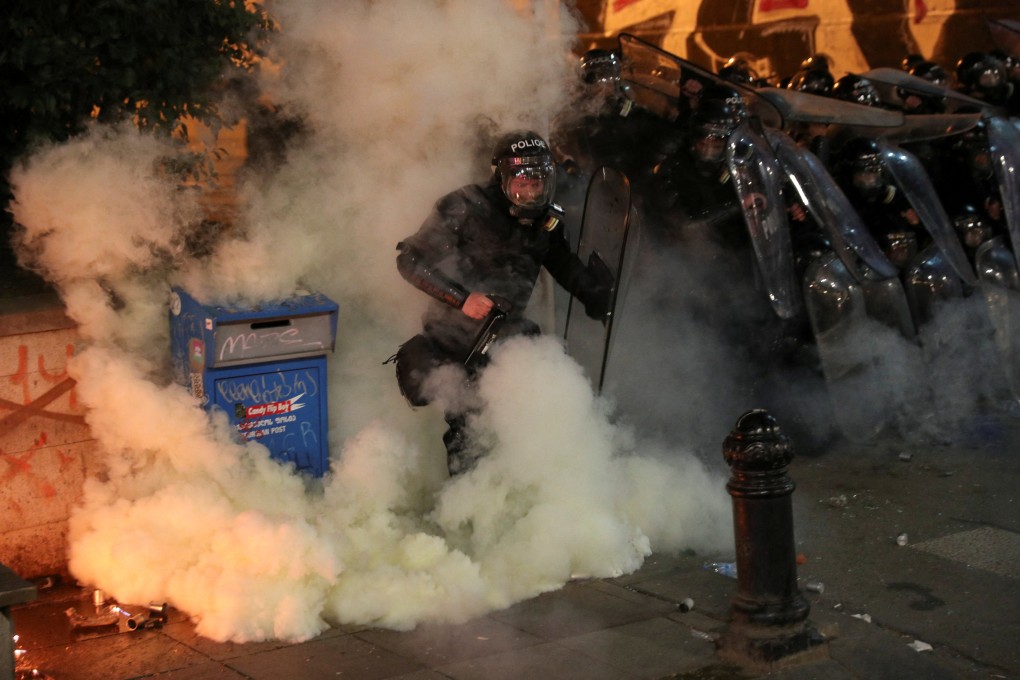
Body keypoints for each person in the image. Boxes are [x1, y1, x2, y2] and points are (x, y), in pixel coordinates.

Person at [392, 130, 612, 475]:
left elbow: (562, 263)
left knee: (549, 405)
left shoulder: (545, 221)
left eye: (538, 183)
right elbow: (409, 260)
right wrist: (462, 298)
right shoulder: (464, 206)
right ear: (502, 177)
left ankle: (539, 495)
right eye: (523, 182)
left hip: (509, 334)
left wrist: (594, 293)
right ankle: (468, 512)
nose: (530, 192)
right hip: (457, 338)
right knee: (471, 429)